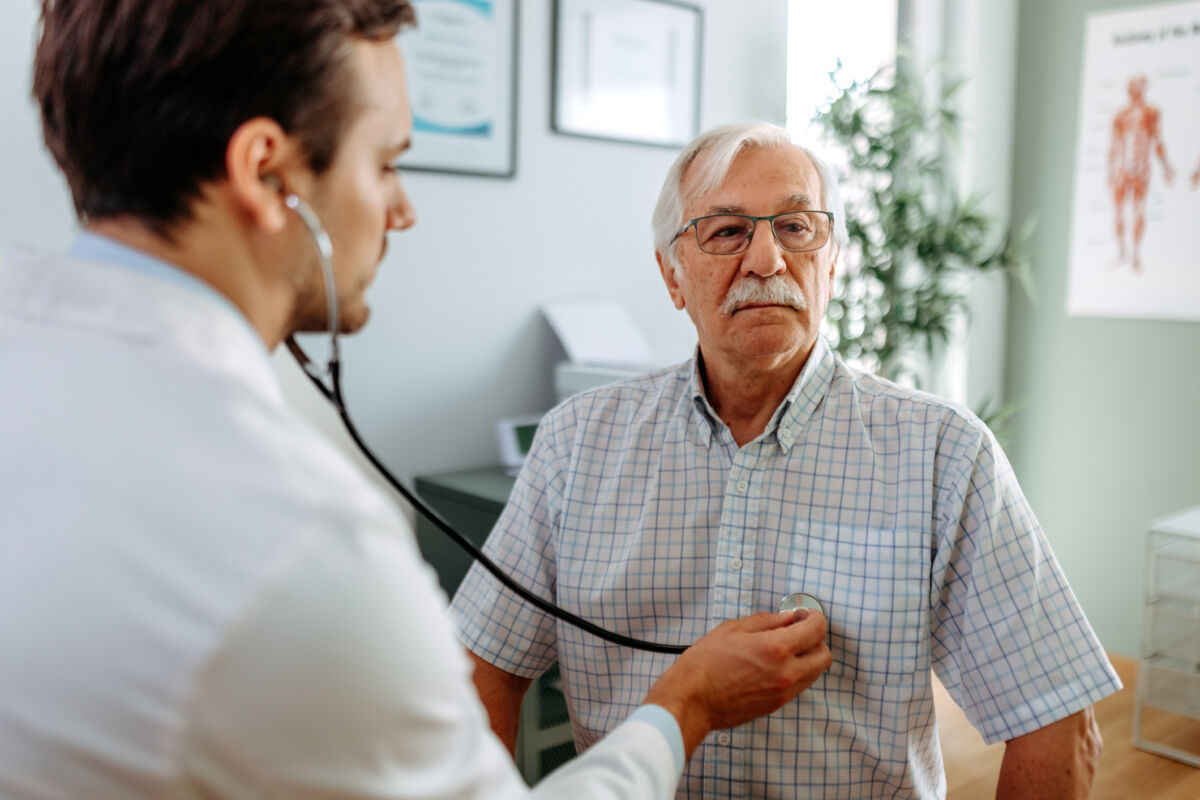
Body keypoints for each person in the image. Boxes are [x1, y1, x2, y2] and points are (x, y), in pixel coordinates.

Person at [0, 4, 834, 798]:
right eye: (386, 163)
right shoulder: (306, 539)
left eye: (796, 228)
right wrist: (683, 706)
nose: (402, 209)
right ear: (265, 172)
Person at [451, 122, 1124, 799]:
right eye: (726, 231)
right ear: (671, 275)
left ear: (832, 262)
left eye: (798, 228)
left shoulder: (943, 453)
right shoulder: (576, 443)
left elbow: (1054, 715)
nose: (768, 259)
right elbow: (486, 667)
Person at [1108, 75, 1174, 272]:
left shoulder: (1151, 113)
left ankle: (1135, 254)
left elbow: (1157, 142)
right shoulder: (1121, 116)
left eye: (1140, 88)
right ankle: (1122, 253)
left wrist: (1166, 168)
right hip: (1123, 169)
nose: (1137, 92)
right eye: (1134, 88)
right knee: (1119, 211)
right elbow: (1115, 145)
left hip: (1141, 170)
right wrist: (1111, 171)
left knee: (1138, 211)